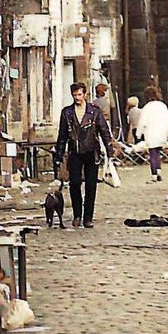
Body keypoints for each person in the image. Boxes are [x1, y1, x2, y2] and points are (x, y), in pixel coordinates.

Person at [54, 82, 114, 228]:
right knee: (74, 184)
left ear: (85, 94)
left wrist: (109, 149)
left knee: (91, 186)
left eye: (79, 94)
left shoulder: (94, 112)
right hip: (75, 152)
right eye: (75, 95)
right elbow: (62, 135)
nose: (77, 97)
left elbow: (104, 131)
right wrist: (59, 154)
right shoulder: (67, 113)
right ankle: (77, 215)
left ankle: (88, 217)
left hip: (91, 151)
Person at [135, 85, 168, 183]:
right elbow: (167, 119)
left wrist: (138, 133)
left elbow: (143, 122)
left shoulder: (147, 107)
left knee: (152, 153)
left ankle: (154, 174)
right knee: (157, 152)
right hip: (161, 131)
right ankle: (158, 170)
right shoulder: (163, 106)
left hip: (151, 132)